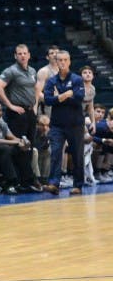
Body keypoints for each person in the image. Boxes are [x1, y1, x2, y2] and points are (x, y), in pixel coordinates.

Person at [42, 50, 85, 195]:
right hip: (57, 125)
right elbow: (47, 100)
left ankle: (78, 185)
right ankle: (54, 184)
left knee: (77, 154)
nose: (62, 62)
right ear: (56, 61)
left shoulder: (78, 79)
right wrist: (66, 94)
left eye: (65, 60)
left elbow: (79, 98)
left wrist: (58, 97)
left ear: (69, 61)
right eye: (59, 60)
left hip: (75, 124)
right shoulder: (51, 81)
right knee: (55, 153)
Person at [0, 43, 38, 143]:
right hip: (17, 113)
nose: (23, 56)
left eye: (25, 53)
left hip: (30, 112)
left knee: (31, 144)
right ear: (15, 56)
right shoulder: (11, 71)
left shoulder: (33, 71)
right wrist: (10, 106)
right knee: (19, 144)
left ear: (29, 55)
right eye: (20, 53)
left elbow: (35, 89)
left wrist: (35, 106)